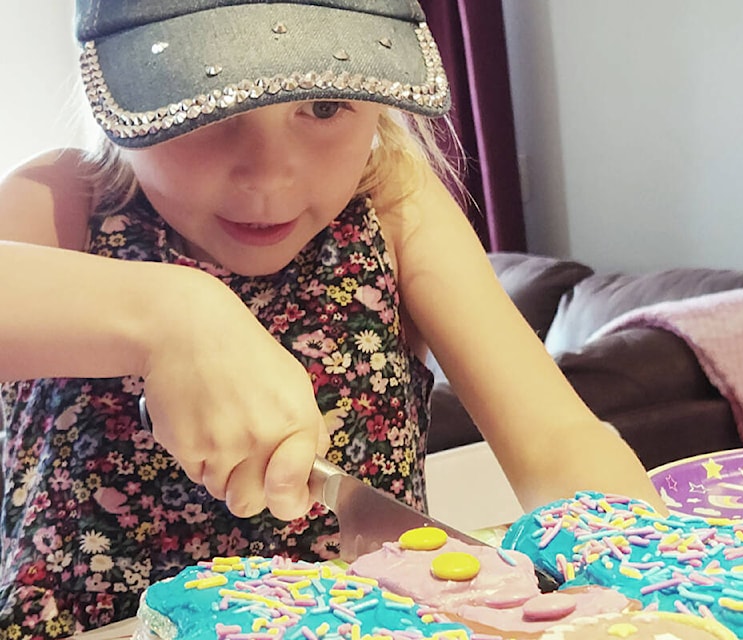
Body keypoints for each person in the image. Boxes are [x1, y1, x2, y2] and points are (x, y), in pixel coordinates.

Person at [0, 1, 666, 636]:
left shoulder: (395, 209)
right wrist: (167, 316)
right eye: (202, 105)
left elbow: (555, 441)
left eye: (324, 105)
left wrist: (659, 590)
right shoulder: (65, 205)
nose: (270, 176)